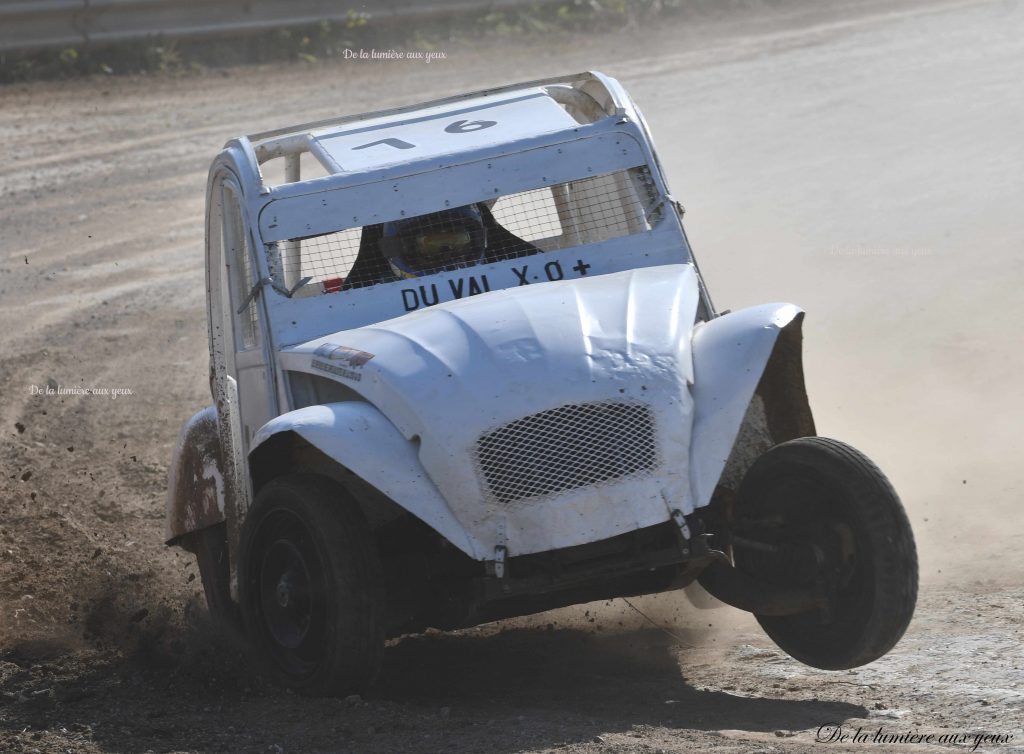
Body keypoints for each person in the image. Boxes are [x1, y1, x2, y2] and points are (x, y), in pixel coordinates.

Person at [342, 202, 540, 289]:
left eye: (457, 242)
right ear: (399, 249)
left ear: (477, 240)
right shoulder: (379, 295)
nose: (448, 256)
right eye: (433, 246)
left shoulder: (506, 275)